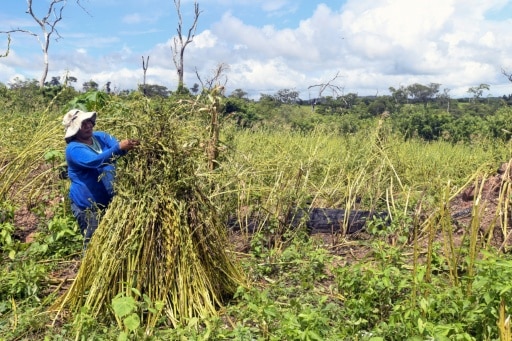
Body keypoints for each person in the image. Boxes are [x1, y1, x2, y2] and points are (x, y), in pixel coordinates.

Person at [62, 109, 139, 249]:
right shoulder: (73, 149)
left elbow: (116, 146)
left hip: (109, 202)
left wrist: (129, 146)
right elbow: (96, 161)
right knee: (93, 244)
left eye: (89, 122)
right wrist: (119, 148)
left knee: (112, 242)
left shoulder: (101, 137)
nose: (88, 126)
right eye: (83, 124)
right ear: (74, 130)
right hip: (88, 206)